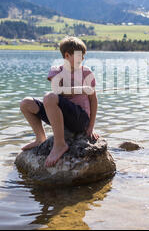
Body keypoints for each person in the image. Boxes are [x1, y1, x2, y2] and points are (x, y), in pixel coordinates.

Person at [20, 36, 99, 167]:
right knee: (25, 103)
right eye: (80, 56)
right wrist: (81, 89)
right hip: (61, 118)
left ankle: (59, 144)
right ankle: (40, 138)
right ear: (67, 55)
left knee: (49, 97)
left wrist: (91, 126)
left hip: (80, 119)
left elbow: (93, 99)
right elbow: (58, 90)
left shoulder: (86, 73)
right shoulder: (56, 70)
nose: (83, 59)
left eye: (83, 56)